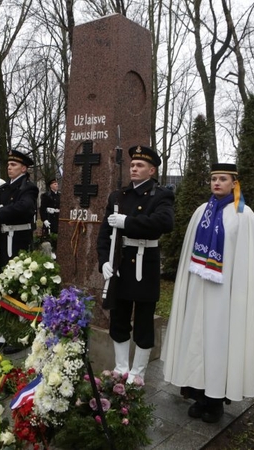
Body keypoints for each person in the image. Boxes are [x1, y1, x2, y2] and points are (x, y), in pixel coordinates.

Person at [161, 163, 254, 424]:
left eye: (222, 179)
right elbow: (190, 254)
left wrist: (239, 293)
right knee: (198, 341)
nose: (216, 183)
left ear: (235, 183)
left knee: (219, 343)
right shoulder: (202, 212)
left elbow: (246, 262)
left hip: (226, 294)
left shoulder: (244, 215)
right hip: (199, 291)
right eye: (213, 178)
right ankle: (199, 395)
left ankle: (216, 402)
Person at [96, 145, 175, 385]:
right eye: (132, 164)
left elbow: (163, 223)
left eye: (140, 165)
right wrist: (104, 262)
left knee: (143, 321)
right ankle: (121, 367)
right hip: (120, 262)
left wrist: (128, 222)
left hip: (144, 264)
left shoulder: (160, 195)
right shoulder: (118, 196)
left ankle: (138, 373)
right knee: (118, 318)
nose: (134, 168)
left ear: (152, 170)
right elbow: (104, 233)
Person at [0, 150, 39, 354]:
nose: (9, 167)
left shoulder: (29, 188)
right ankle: (4, 331)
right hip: (1, 240)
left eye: (14, 165)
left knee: (17, 287)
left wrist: (2, 211)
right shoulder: (3, 188)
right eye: (8, 164)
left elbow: (24, 208)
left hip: (18, 241)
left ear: (24, 169)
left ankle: (18, 334)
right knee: (2, 286)